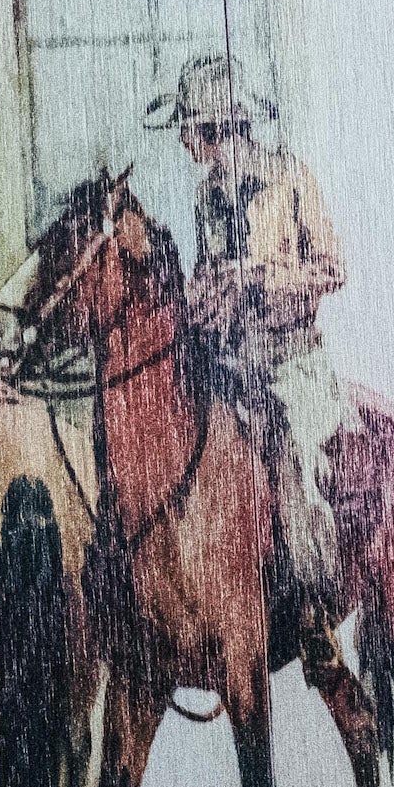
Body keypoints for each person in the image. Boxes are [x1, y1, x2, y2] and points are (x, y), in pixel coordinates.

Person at [147, 52, 349, 626]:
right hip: (229, 362)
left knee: (291, 460)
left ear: (219, 127)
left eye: (190, 127)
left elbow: (332, 270)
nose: (185, 141)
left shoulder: (290, 178)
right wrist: (195, 302)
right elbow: (207, 277)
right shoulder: (205, 195)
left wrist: (257, 279)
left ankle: (313, 610)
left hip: (291, 361)